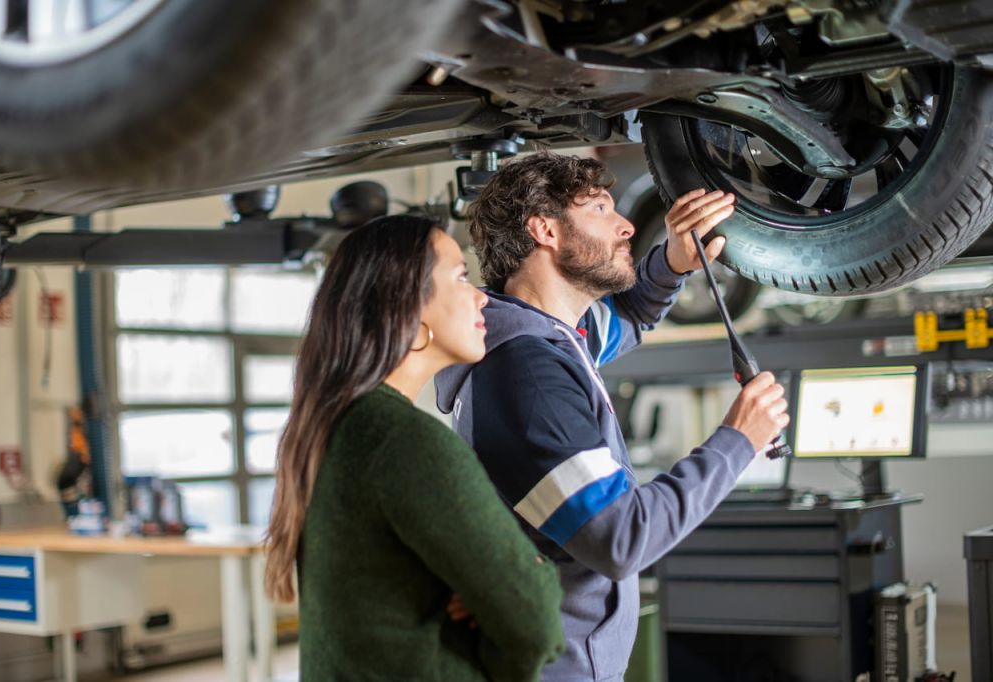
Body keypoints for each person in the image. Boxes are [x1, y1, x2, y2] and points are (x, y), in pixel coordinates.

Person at [436, 153, 789, 681]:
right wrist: (737, 440)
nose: (626, 224)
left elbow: (630, 314)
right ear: (545, 230)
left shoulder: (549, 338)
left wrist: (670, 263)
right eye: (600, 208)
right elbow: (620, 540)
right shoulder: (529, 373)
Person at [265, 214, 566, 681]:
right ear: (407, 303)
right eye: (461, 277)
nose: (481, 296)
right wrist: (518, 588)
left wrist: (486, 592)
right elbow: (536, 619)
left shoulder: (339, 428)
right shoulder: (405, 442)